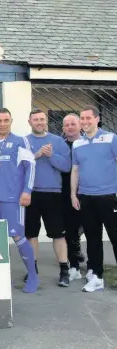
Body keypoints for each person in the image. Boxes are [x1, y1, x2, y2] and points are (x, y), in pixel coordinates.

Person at [0, 108, 39, 293]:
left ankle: (32, 276)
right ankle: (2, 277)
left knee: (18, 236)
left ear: (11, 121)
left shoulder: (20, 140)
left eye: (5, 120)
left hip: (13, 198)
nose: (2, 124)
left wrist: (27, 191)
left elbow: (30, 166)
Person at [71, 105, 117, 292]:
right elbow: (75, 170)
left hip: (109, 197)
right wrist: (73, 194)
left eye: (88, 118)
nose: (84, 122)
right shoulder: (77, 144)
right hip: (86, 197)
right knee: (92, 239)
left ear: (97, 119)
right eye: (82, 118)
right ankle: (97, 277)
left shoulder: (111, 138)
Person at [25, 109, 71, 287]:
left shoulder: (58, 141)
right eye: (35, 119)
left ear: (46, 121)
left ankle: (64, 271)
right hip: (31, 193)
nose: (39, 122)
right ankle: (32, 270)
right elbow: (19, 166)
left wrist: (51, 155)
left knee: (58, 234)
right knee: (31, 235)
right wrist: (36, 155)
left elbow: (67, 167)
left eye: (42, 119)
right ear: (29, 122)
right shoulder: (25, 141)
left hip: (53, 193)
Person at [61, 113, 85, 280]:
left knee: (89, 229)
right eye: (67, 125)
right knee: (70, 229)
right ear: (63, 128)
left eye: (73, 124)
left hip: (87, 192)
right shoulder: (60, 146)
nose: (70, 127)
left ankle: (93, 269)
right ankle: (74, 265)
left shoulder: (87, 144)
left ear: (80, 125)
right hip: (65, 194)